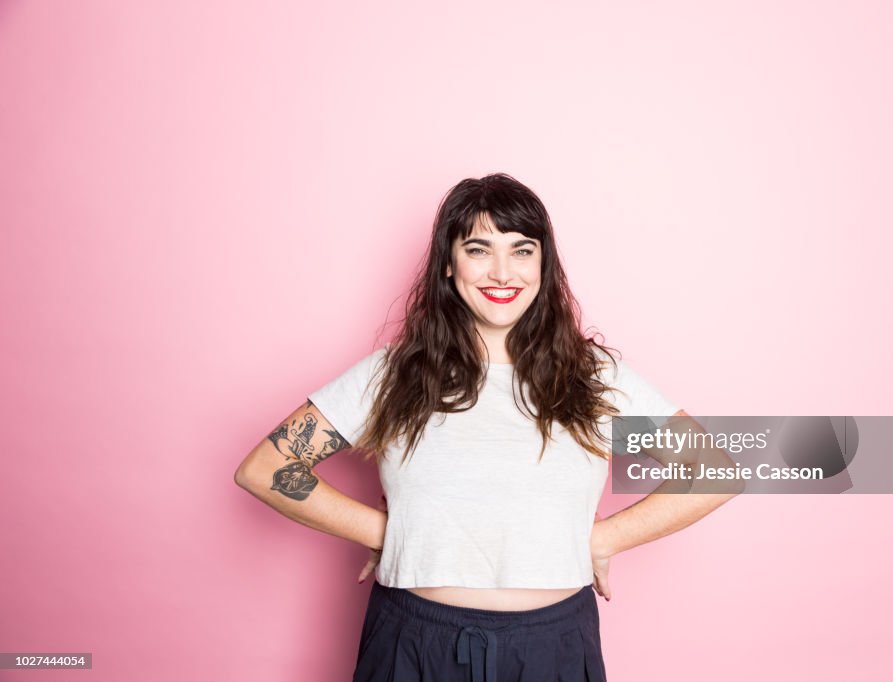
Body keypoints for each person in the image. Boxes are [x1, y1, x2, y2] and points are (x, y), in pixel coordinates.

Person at [234, 173, 744, 681]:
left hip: (553, 646)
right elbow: (266, 468)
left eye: (522, 250)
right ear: (449, 266)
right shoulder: (394, 373)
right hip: (413, 643)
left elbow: (715, 469)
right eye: (479, 249)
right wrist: (384, 530)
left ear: (544, 265)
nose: (503, 272)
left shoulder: (594, 376)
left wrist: (606, 538)